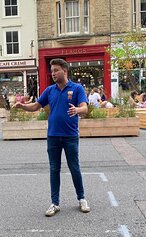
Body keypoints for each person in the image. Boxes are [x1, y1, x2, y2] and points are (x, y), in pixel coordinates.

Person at [14, 58, 90, 216]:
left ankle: (81, 199)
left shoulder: (76, 89)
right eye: (52, 71)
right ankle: (55, 203)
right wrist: (23, 106)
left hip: (70, 136)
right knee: (54, 169)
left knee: (74, 167)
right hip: (53, 136)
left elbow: (85, 108)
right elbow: (36, 106)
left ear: (65, 70)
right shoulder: (49, 90)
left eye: (56, 70)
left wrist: (77, 109)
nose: (53, 73)